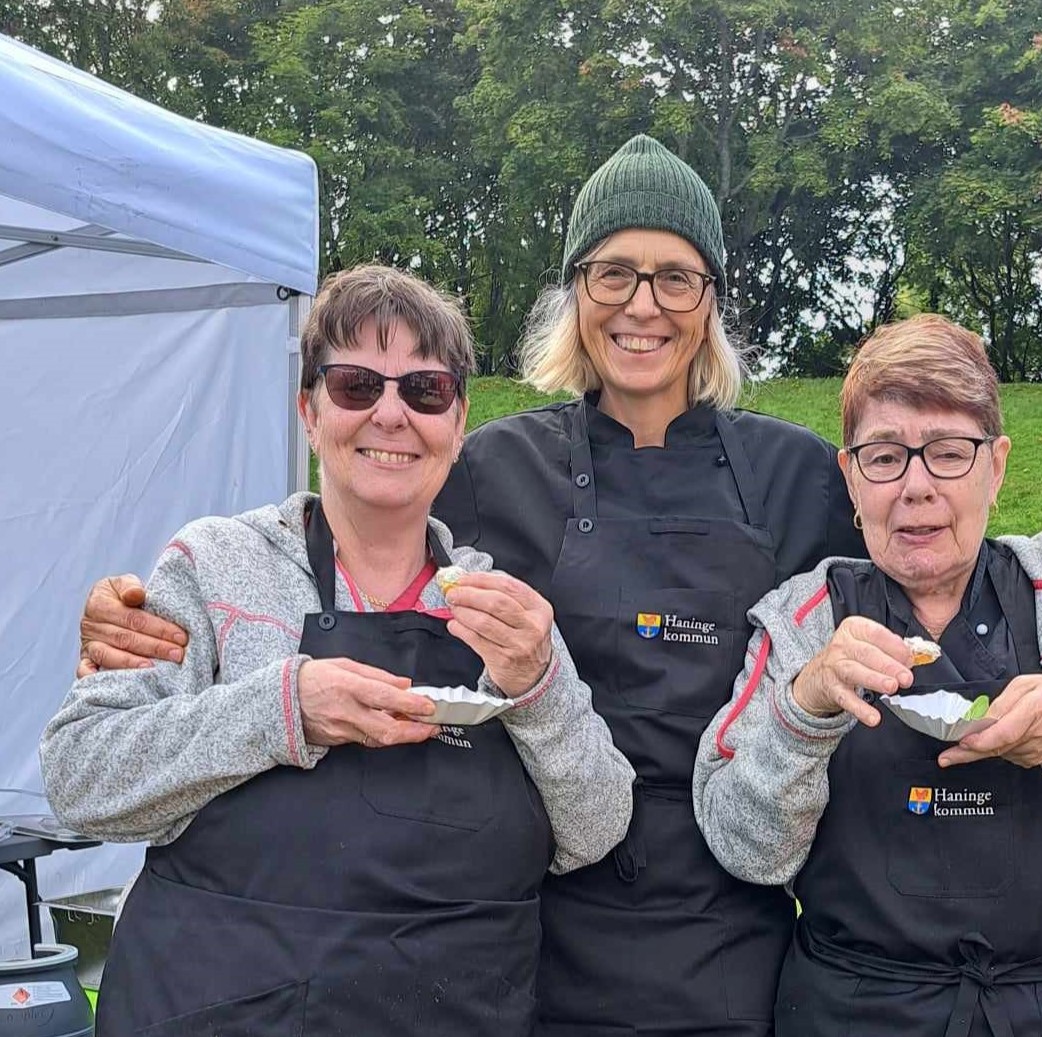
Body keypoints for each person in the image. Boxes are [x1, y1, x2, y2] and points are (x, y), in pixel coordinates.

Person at [73, 138, 1042, 1036]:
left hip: (730, 927)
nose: (642, 302)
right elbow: (356, 516)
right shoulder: (491, 465)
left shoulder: (797, 473)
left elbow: (905, 574)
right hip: (535, 928)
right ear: (576, 292)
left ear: (710, 297)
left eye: (674, 274)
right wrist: (144, 625)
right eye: (614, 270)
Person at [41, 266, 634, 1037]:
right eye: (356, 384)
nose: (390, 414)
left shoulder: (502, 611)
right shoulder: (213, 565)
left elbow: (597, 828)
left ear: (457, 425)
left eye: (423, 391)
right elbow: (80, 774)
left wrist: (539, 686)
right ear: (308, 411)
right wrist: (284, 709)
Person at [693, 314, 1042, 1037]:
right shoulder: (803, 618)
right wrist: (804, 708)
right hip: (853, 1012)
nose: (915, 487)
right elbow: (742, 847)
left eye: (947, 452)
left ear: (995, 466)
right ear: (850, 476)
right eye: (883, 457)